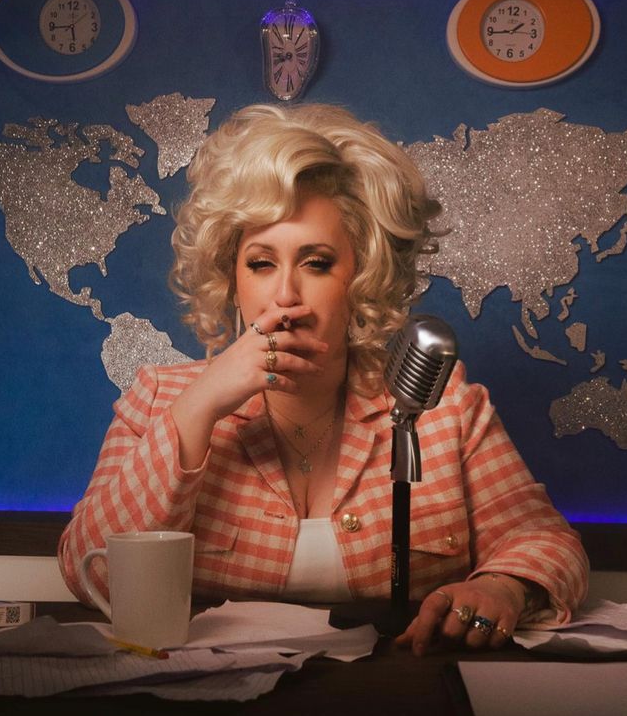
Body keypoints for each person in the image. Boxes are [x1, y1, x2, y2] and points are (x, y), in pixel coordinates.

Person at [58, 103, 589, 654]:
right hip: (207, 710)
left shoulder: (442, 404)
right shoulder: (160, 399)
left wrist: (505, 586)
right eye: (261, 263)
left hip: (395, 698)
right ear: (231, 279)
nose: (285, 296)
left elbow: (544, 541)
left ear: (362, 278)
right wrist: (200, 407)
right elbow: (88, 574)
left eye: (316, 263)